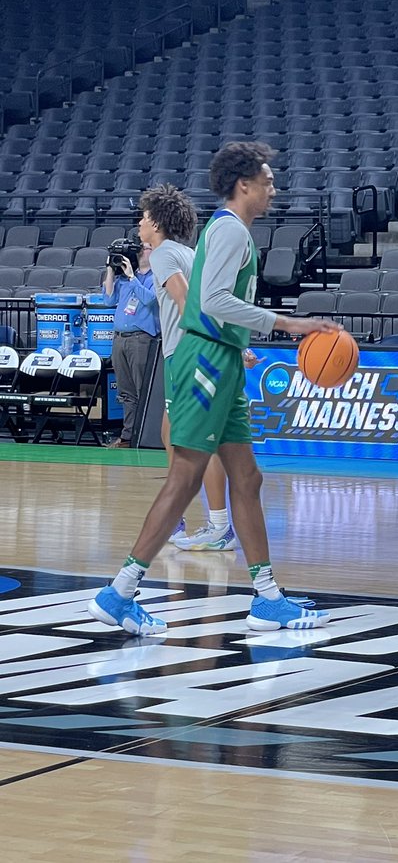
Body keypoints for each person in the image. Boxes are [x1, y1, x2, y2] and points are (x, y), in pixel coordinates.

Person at [87, 141, 339, 636]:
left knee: (247, 479)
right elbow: (212, 300)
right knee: (184, 478)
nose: (273, 188)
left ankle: (267, 598)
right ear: (243, 184)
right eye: (266, 180)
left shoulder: (231, 230)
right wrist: (288, 324)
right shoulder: (228, 230)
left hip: (218, 359)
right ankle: (119, 591)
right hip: (203, 362)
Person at [139, 183, 243, 552]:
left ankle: (219, 526)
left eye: (143, 216)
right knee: (171, 433)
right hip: (197, 353)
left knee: (198, 443)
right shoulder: (189, 251)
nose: (139, 223)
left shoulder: (165, 253)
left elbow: (185, 301)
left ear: (156, 220)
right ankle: (179, 515)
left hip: (187, 355)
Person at [102, 237, 160, 448]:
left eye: (145, 248)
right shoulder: (125, 278)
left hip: (141, 339)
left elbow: (150, 300)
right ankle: (128, 437)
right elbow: (108, 300)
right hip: (119, 339)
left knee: (141, 389)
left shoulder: (157, 276)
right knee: (125, 392)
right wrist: (111, 267)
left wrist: (132, 278)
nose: (141, 251)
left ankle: (145, 436)